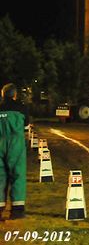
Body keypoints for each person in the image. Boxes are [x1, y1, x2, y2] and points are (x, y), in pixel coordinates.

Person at [0, 83, 30, 220]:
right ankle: (17, 211)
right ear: (15, 95)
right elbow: (26, 127)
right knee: (17, 174)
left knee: (1, 176)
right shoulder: (21, 108)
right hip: (15, 143)